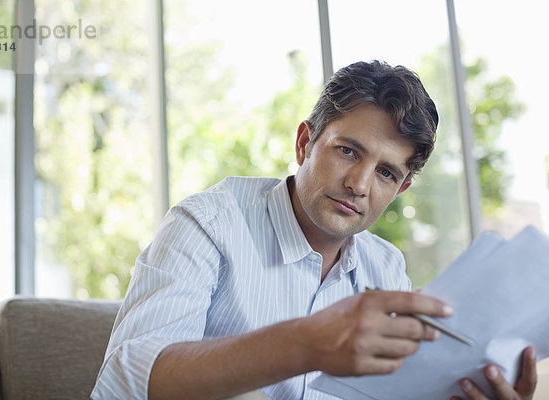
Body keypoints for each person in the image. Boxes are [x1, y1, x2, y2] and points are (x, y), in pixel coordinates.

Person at [92, 60, 537, 400]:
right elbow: (125, 378)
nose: (359, 184)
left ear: (400, 188)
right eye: (348, 150)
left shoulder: (387, 267)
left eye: (385, 173)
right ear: (305, 143)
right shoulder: (207, 224)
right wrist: (306, 343)